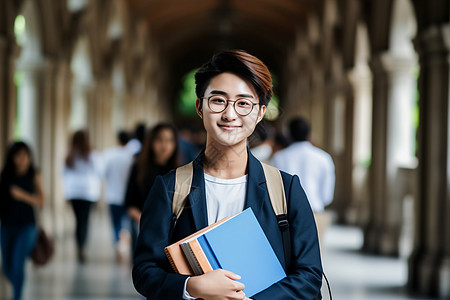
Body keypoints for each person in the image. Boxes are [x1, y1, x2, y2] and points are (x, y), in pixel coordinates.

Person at [132, 50, 322, 300]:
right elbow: (145, 271)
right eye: (218, 100)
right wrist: (191, 287)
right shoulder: (170, 188)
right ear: (200, 106)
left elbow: (309, 276)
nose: (230, 114)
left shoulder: (286, 189)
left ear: (260, 112)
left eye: (243, 103)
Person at [272, 116, 335, 239]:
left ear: (289, 134)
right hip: (314, 212)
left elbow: (275, 187)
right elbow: (327, 195)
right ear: (309, 134)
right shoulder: (324, 158)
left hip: (287, 215)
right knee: (314, 254)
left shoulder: (279, 157)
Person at [125, 123, 179, 253]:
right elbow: (129, 202)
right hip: (143, 227)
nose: (164, 146)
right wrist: (145, 219)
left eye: (169, 140)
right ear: (151, 142)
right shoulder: (140, 169)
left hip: (171, 233)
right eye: (160, 140)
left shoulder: (180, 171)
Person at [0, 141, 44, 300]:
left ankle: (17, 296)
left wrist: (21, 195)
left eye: (26, 156)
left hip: (27, 226)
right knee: (6, 267)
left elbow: (41, 200)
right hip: (6, 225)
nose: (23, 159)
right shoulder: (5, 175)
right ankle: (17, 285)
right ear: (12, 158)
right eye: (19, 156)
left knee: (18, 265)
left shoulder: (34, 175)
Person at [62, 130, 102, 263]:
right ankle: (82, 246)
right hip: (88, 193)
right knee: (85, 221)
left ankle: (79, 246)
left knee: (78, 221)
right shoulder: (92, 155)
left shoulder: (69, 156)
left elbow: (63, 173)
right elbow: (99, 172)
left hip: (73, 193)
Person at [102, 130, 133, 261]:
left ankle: (118, 245)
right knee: (126, 223)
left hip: (113, 195)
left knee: (116, 224)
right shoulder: (131, 156)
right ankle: (124, 245)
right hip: (127, 196)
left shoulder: (110, 155)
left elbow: (103, 173)